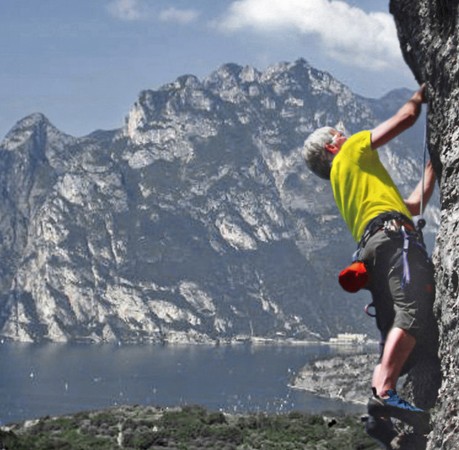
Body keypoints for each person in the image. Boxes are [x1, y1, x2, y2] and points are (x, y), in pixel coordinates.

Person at [303, 84, 437, 435]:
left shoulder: (342, 182)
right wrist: (420, 97)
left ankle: (378, 416)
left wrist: (431, 171)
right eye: (339, 134)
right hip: (395, 241)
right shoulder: (353, 152)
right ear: (333, 145)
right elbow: (404, 119)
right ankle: (386, 394)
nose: (345, 134)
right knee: (412, 311)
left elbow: (409, 206)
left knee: (393, 329)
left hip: (375, 248)